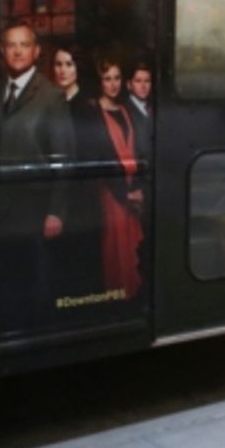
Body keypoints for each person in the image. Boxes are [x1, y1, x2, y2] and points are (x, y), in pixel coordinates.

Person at [0, 23, 76, 328]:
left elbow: (65, 158)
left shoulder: (51, 96)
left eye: (24, 45)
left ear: (36, 51)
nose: (17, 51)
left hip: (36, 213)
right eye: (10, 45)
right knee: (5, 290)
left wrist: (56, 211)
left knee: (36, 292)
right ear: (3, 52)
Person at [48, 45, 105, 303]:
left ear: (78, 68)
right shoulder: (50, 104)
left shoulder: (88, 107)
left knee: (81, 265)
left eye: (69, 64)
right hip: (55, 199)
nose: (63, 70)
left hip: (81, 201)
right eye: (59, 64)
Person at [92, 56, 144, 297]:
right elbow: (100, 161)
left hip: (133, 189)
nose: (112, 84)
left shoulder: (125, 111)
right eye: (107, 79)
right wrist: (125, 193)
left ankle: (132, 295)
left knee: (133, 248)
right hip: (112, 194)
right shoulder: (93, 113)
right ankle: (118, 297)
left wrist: (138, 188)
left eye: (116, 78)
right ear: (99, 82)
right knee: (115, 249)